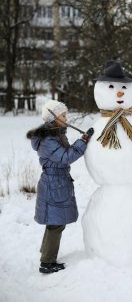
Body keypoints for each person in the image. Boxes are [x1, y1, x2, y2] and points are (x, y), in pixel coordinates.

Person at [27, 99, 94, 274]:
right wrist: (83, 142)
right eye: (63, 115)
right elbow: (65, 157)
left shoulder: (55, 133)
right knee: (55, 224)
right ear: (53, 117)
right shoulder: (48, 139)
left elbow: (64, 154)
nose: (67, 117)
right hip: (53, 184)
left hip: (57, 182)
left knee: (54, 223)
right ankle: (47, 262)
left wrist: (83, 139)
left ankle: (46, 253)